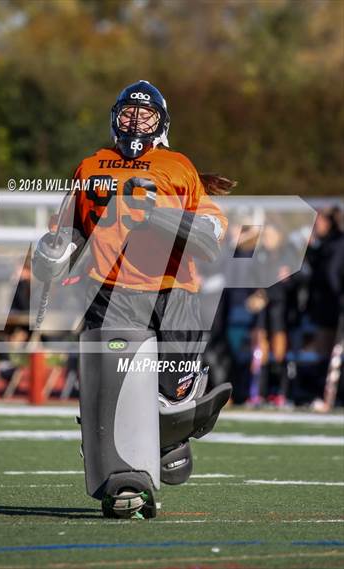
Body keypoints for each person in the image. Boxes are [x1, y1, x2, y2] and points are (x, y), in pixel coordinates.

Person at [33, 80, 234, 518]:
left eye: (145, 114)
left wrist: (158, 216)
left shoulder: (178, 167)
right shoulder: (91, 167)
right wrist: (51, 252)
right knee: (113, 395)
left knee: (171, 398)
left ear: (162, 122)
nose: (135, 121)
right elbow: (69, 231)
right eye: (127, 113)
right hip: (111, 292)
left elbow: (209, 237)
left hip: (173, 291)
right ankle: (121, 482)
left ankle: (174, 430)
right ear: (114, 118)